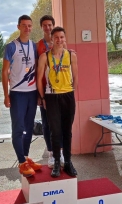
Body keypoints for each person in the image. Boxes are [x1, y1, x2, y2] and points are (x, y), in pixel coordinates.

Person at [1, 15, 42, 177]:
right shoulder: (11, 46)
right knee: (18, 129)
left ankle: (25, 158)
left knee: (28, 128)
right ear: (18, 27)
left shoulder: (34, 46)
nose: (27, 28)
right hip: (17, 94)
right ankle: (21, 162)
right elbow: (4, 72)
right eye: (24, 25)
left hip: (31, 93)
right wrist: (6, 94)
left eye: (30, 26)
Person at [37, 26, 78, 177]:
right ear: (52, 40)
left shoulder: (71, 56)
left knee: (67, 131)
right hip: (52, 96)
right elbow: (39, 79)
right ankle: (56, 163)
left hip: (68, 96)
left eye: (62, 37)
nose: (59, 40)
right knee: (55, 132)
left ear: (64, 39)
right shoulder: (45, 57)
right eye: (56, 38)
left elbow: (76, 76)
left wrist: (72, 92)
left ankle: (67, 162)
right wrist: (42, 98)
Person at [36, 15, 64, 168]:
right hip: (44, 91)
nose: (48, 28)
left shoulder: (60, 44)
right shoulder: (38, 46)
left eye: (50, 25)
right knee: (47, 124)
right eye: (45, 25)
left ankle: (60, 152)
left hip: (59, 91)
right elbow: (36, 71)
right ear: (42, 27)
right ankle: (51, 154)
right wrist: (39, 95)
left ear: (53, 26)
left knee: (59, 123)